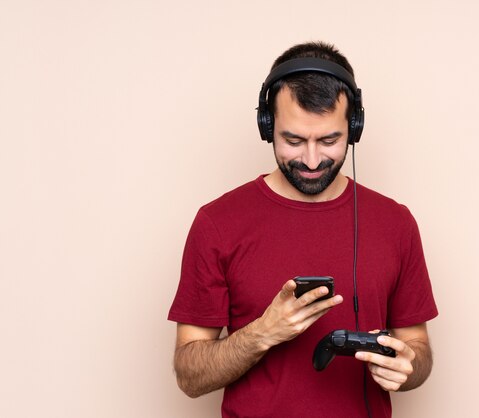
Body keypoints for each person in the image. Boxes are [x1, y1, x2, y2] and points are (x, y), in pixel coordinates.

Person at [168, 41, 438, 418]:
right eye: (293, 140)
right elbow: (188, 376)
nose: (311, 160)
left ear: (354, 128)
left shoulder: (396, 223)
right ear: (267, 126)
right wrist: (264, 332)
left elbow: (418, 348)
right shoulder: (217, 223)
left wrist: (407, 365)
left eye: (329, 140)